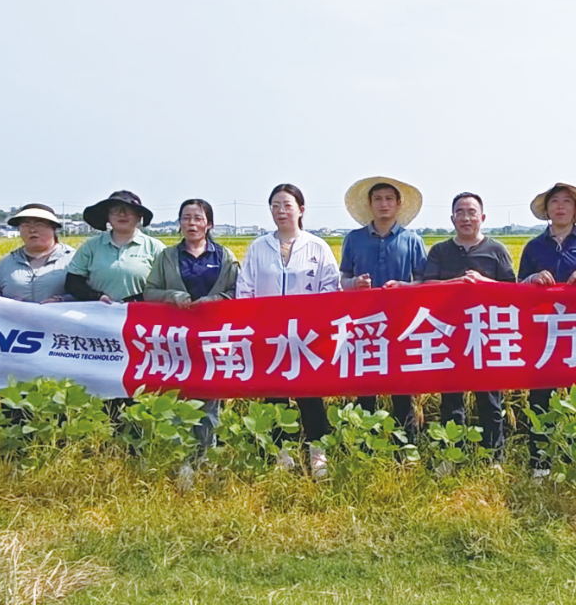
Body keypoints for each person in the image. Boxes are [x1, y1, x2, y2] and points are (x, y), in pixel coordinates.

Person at [235, 184, 341, 478]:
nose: (281, 211)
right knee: (275, 395)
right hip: (269, 335)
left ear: (301, 210)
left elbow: (330, 288)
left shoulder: (317, 247)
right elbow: (245, 288)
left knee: (310, 394)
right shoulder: (259, 247)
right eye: (275, 206)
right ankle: (283, 454)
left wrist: (316, 322)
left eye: (287, 205)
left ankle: (317, 453)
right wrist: (252, 325)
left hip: (307, 336)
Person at [518, 182, 576, 476]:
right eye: (554, 201)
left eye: (567, 201)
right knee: (540, 397)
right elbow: (517, 288)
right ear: (547, 210)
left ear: (575, 209)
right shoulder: (533, 247)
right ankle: (540, 463)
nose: (560, 206)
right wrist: (533, 278)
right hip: (543, 333)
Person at [420, 192, 517, 456]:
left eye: (471, 212)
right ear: (452, 218)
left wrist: (484, 283)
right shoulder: (440, 251)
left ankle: (494, 456)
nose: (466, 218)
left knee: (490, 398)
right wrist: (457, 283)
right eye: (460, 212)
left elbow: (512, 291)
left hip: (487, 333)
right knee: (451, 399)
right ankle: (452, 454)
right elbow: (427, 286)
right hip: (448, 333)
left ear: (482, 217)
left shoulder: (496, 250)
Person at [144, 199, 242, 451]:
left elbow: (238, 291)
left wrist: (214, 300)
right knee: (175, 393)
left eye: (198, 218)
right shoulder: (167, 256)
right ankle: (178, 454)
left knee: (209, 394)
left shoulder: (224, 257)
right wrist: (172, 296)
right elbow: (150, 291)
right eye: (186, 218)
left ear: (209, 224)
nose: (192, 223)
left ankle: (206, 454)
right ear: (179, 223)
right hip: (176, 338)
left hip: (212, 336)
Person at [338, 177, 427, 444]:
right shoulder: (354, 240)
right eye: (378, 199)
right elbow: (343, 278)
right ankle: (366, 444)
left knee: (402, 387)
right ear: (370, 204)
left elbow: (424, 282)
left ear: (398, 204)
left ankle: (406, 446)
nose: (383, 204)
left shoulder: (412, 240)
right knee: (366, 386)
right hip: (363, 324)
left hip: (401, 324)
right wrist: (354, 284)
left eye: (389, 199)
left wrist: (404, 286)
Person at [65, 190, 166, 303]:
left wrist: (135, 300)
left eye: (129, 210)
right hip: (97, 311)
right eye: (115, 210)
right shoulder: (91, 246)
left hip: (140, 312)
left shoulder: (155, 247)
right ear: (107, 216)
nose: (122, 214)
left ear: (139, 216)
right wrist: (96, 296)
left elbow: (167, 284)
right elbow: (73, 282)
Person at [0, 203, 76, 304]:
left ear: (54, 229)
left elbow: (85, 295)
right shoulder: (6, 263)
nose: (32, 230)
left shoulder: (73, 259)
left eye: (39, 225)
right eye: (25, 225)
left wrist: (62, 300)